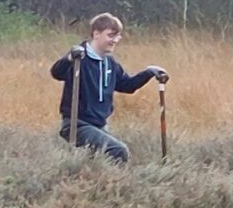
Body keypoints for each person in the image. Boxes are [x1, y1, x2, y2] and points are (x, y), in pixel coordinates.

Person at [49, 13, 165, 163]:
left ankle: (101, 184)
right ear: (96, 34)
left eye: (117, 36)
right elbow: (57, 73)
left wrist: (149, 72)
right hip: (77, 125)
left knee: (95, 162)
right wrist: (69, 58)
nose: (115, 40)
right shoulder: (78, 59)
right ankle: (119, 184)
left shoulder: (110, 63)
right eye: (111, 35)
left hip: (100, 125)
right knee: (117, 150)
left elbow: (127, 86)